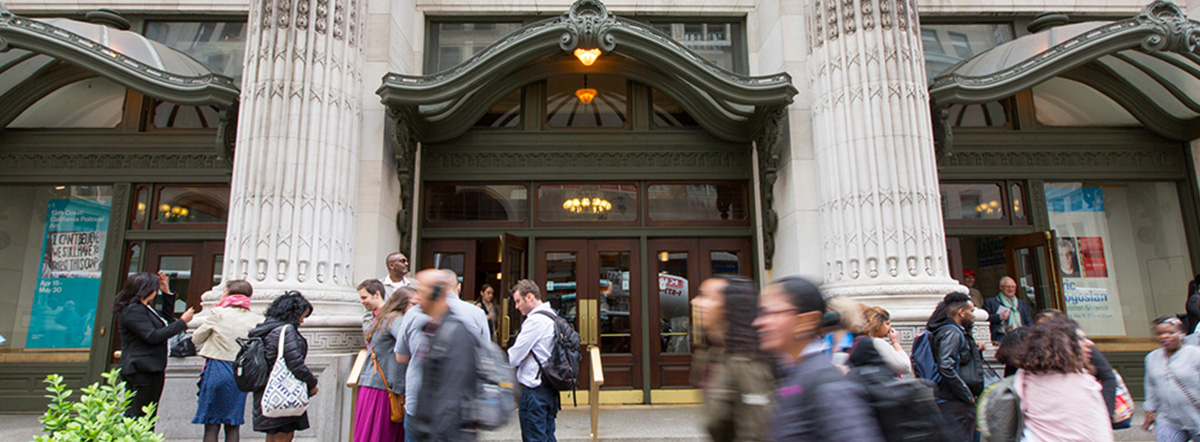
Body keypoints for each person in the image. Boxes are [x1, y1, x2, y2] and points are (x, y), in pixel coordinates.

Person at [751, 276, 883, 442]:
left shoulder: (827, 384)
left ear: (806, 321)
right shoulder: (790, 372)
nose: (759, 322)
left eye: (770, 313)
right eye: (760, 313)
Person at [394, 269, 489, 442]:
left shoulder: (456, 333)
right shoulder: (429, 323)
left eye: (420, 292)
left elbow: (451, 394)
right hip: (422, 416)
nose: (415, 298)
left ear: (436, 292)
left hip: (441, 429)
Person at [692, 276, 773, 442]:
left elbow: (756, 428)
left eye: (707, 297)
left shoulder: (746, 362)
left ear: (728, 307)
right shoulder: (710, 354)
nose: (695, 302)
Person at [1014, 320, 1113, 441]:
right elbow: (1097, 433)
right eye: (1081, 339)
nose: (1089, 343)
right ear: (1065, 344)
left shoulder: (1024, 378)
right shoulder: (1081, 384)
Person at [115, 271, 194, 421]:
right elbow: (153, 336)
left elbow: (165, 321)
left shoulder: (145, 308)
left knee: (146, 413)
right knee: (141, 415)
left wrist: (167, 293)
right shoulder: (133, 310)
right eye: (155, 287)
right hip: (141, 368)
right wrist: (182, 323)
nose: (155, 290)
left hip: (151, 367)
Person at [192, 280, 264, 442]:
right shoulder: (256, 318)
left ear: (230, 294)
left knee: (211, 423)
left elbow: (197, 338)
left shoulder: (218, 313)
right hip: (240, 373)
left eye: (224, 291)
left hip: (216, 368)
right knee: (233, 423)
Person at [249, 292, 318, 442]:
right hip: (284, 390)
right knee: (284, 433)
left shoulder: (266, 329)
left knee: (272, 434)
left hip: (267, 389)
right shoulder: (286, 331)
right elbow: (296, 364)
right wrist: (312, 383)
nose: (302, 321)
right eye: (302, 316)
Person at [354, 281, 412, 442]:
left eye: (364, 297)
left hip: (375, 384)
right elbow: (408, 342)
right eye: (414, 303)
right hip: (383, 387)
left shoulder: (385, 317)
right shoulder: (395, 319)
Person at [1034, 309, 1116, 416]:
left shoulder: (1082, 347)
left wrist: (1105, 412)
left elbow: (1108, 376)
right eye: (1040, 325)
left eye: (1047, 323)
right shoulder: (1036, 350)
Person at [927, 292, 983, 441]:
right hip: (955, 401)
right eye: (971, 311)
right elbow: (946, 366)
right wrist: (966, 394)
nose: (973, 315)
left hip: (956, 400)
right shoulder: (952, 333)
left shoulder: (955, 332)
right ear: (961, 312)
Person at [507, 279, 559, 442]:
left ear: (529, 297)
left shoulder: (534, 321)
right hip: (549, 389)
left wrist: (522, 352)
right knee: (548, 435)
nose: (516, 307)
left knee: (534, 437)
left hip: (534, 391)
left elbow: (513, 358)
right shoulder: (552, 315)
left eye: (518, 301)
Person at [1144, 316, 1200, 441]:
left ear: (1182, 334)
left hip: (1196, 416)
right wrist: (1149, 411)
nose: (1165, 336)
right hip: (1169, 420)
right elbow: (1151, 385)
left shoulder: (1195, 355)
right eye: (1160, 334)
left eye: (1171, 332)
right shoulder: (1152, 358)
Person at [855, 305, 911, 375]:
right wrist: (895, 342)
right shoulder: (876, 343)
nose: (889, 328)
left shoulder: (855, 341)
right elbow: (904, 367)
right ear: (878, 324)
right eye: (887, 324)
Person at [982, 276, 1033, 342]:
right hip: (1002, 336)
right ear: (1001, 287)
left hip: (1021, 335)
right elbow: (985, 318)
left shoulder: (1020, 303)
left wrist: (1031, 332)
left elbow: (1028, 319)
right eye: (1008, 287)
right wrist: (999, 317)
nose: (1011, 289)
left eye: (1013, 287)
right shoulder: (990, 302)